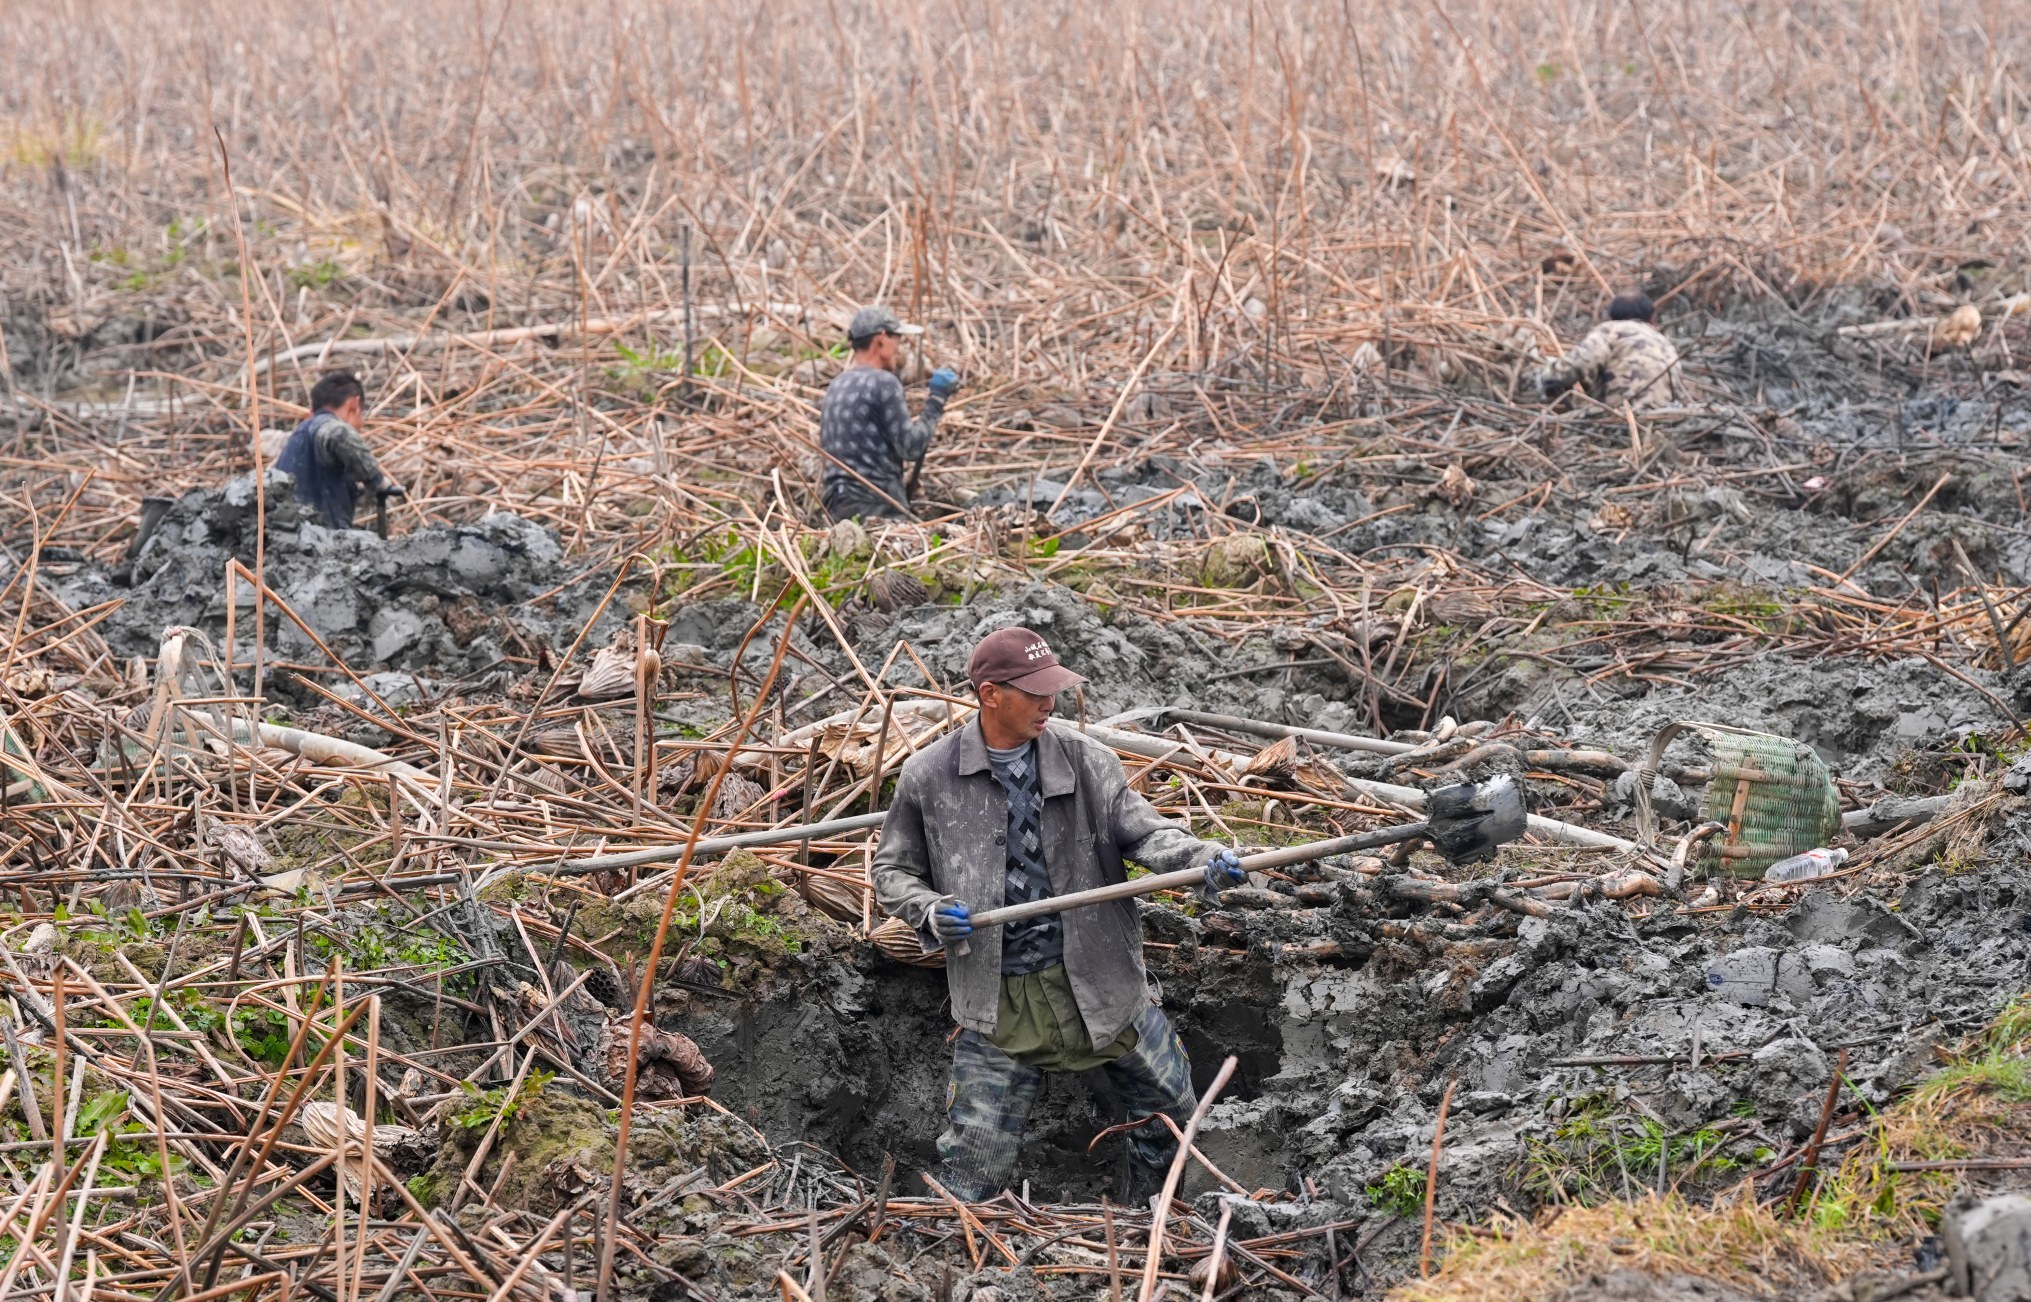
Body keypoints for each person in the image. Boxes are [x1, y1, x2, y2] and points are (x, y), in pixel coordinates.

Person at [872, 627, 1247, 1202]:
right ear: (990, 694)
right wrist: (928, 910)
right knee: (973, 1169)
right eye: (1034, 692)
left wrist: (1203, 860)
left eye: (1054, 689)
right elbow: (891, 873)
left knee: (1174, 1125)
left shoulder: (1086, 760)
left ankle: (1154, 1221)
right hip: (998, 998)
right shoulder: (931, 776)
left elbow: (1147, 834)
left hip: (1104, 985)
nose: (1050, 703)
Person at [819, 306, 959, 521]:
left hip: (835, 508)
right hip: (877, 508)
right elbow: (910, 447)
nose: (899, 348)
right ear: (882, 339)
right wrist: (936, 401)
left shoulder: (835, 386)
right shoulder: (884, 382)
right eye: (898, 339)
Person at [275, 371, 405, 530]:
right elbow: (338, 435)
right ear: (354, 404)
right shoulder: (329, 426)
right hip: (319, 537)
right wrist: (376, 481)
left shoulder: (300, 434)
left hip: (287, 532)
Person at [1535, 292, 1684, 411]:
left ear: (1611, 317)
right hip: (1664, 415)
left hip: (1620, 416)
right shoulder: (1664, 342)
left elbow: (1576, 364)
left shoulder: (1610, 330)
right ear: (1652, 319)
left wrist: (1546, 376)